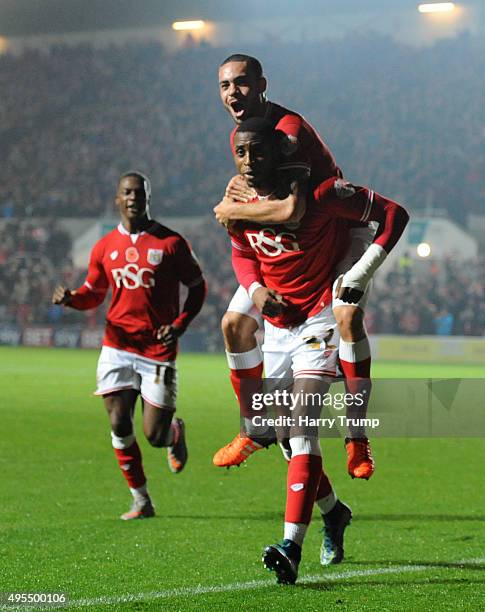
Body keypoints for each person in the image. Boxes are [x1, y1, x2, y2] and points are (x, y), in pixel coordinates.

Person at [227, 117, 409, 583]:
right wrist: (255, 289)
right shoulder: (238, 199)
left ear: (280, 154)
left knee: (300, 426)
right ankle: (333, 511)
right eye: (242, 154)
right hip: (280, 325)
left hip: (318, 317)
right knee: (289, 442)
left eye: (260, 152)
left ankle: (291, 546)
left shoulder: (323, 194)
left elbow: (393, 215)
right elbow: (243, 249)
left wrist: (359, 274)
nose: (250, 162)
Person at [213, 53, 378, 479]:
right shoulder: (246, 133)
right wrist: (238, 207)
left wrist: (234, 210)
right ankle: (254, 425)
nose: (234, 92)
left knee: (346, 314)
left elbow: (292, 209)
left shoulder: (288, 132)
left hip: (337, 232)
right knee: (233, 324)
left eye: (242, 83)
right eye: (225, 85)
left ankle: (357, 434)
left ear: (263, 84)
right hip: (287, 247)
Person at [52, 172, 206, 520]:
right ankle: (141, 500)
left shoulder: (171, 243)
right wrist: (72, 299)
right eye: (127, 192)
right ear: (117, 200)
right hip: (117, 346)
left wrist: (179, 325)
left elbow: (198, 287)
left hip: (157, 350)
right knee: (119, 422)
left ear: (148, 198)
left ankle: (174, 432)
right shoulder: (104, 246)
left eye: (140, 192)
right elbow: (94, 293)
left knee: (153, 435)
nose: (134, 197)